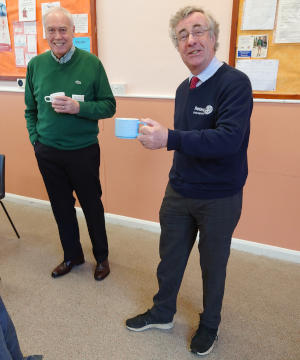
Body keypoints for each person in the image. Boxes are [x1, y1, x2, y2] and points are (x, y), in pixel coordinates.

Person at [126, 6, 252, 356]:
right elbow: (185, 136)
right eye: (183, 35)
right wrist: (164, 134)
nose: (191, 40)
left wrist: (170, 138)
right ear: (177, 45)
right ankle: (163, 312)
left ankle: (210, 324)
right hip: (179, 191)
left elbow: (228, 140)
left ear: (213, 38)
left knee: (213, 265)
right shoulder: (185, 88)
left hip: (219, 198)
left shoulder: (235, 83)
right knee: (170, 258)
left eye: (199, 31)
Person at [25, 7, 116, 281]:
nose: (57, 36)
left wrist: (80, 107)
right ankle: (72, 256)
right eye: (51, 30)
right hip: (48, 152)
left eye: (63, 29)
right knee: (61, 207)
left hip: (83, 152)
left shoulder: (91, 64)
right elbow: (31, 110)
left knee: (91, 205)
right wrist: (36, 141)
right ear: (45, 34)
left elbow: (109, 106)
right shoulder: (36, 66)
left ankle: (101, 257)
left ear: (73, 32)